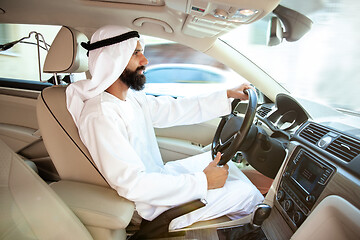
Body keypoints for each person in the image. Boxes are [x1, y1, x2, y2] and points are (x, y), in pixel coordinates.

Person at [66, 25, 264, 230]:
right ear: (112, 60)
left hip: (159, 180)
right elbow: (132, 185)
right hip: (150, 205)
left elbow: (174, 108)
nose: (145, 61)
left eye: (142, 52)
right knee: (246, 195)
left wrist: (227, 94)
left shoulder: (130, 99)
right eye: (136, 54)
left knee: (226, 165)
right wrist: (202, 182)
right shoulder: (100, 115)